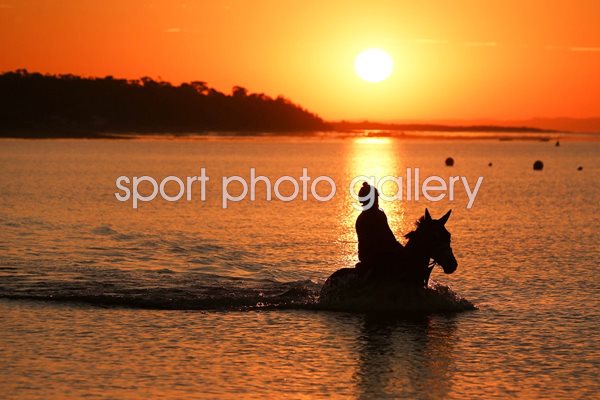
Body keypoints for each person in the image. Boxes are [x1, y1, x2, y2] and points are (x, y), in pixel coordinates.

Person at [355, 182, 403, 274]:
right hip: (376, 259)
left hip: (366, 257)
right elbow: (389, 239)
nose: (377, 201)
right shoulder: (377, 216)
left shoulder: (361, 218)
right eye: (375, 198)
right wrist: (403, 251)